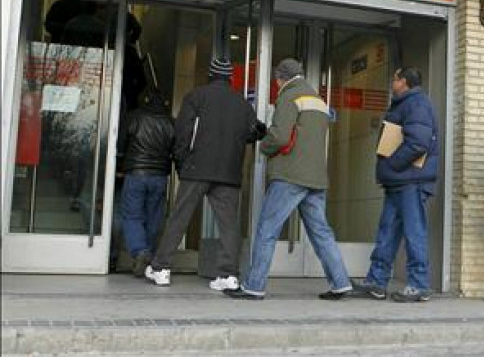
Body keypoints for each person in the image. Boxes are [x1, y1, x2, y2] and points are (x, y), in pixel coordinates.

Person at [225, 59, 353, 301]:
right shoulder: (317, 99)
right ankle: (340, 282)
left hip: (290, 176)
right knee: (321, 233)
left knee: (267, 229)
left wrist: (264, 144)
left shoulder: (288, 97)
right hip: (315, 177)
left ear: (280, 77)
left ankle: (254, 286)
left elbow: (281, 137)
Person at [145, 57, 266, 289]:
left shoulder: (196, 96)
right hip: (229, 172)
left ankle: (161, 268)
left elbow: (182, 133)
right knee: (229, 225)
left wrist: (181, 163)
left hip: (197, 167)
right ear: (230, 78)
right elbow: (254, 133)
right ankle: (229, 275)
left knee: (179, 218)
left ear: (210, 75)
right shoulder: (241, 103)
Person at [354, 67, 439, 302]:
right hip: (400, 181)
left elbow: (418, 143)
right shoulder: (404, 104)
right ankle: (376, 281)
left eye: (395, 79)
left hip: (411, 180)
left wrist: (392, 164)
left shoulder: (417, 104)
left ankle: (419, 284)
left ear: (404, 82)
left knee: (414, 232)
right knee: (387, 231)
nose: (392, 82)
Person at [119, 89, 175, 277]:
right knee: (154, 218)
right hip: (159, 176)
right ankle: (148, 257)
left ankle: (140, 251)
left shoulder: (134, 117)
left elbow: (120, 142)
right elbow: (177, 149)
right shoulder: (170, 122)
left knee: (132, 215)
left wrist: (119, 164)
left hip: (136, 173)